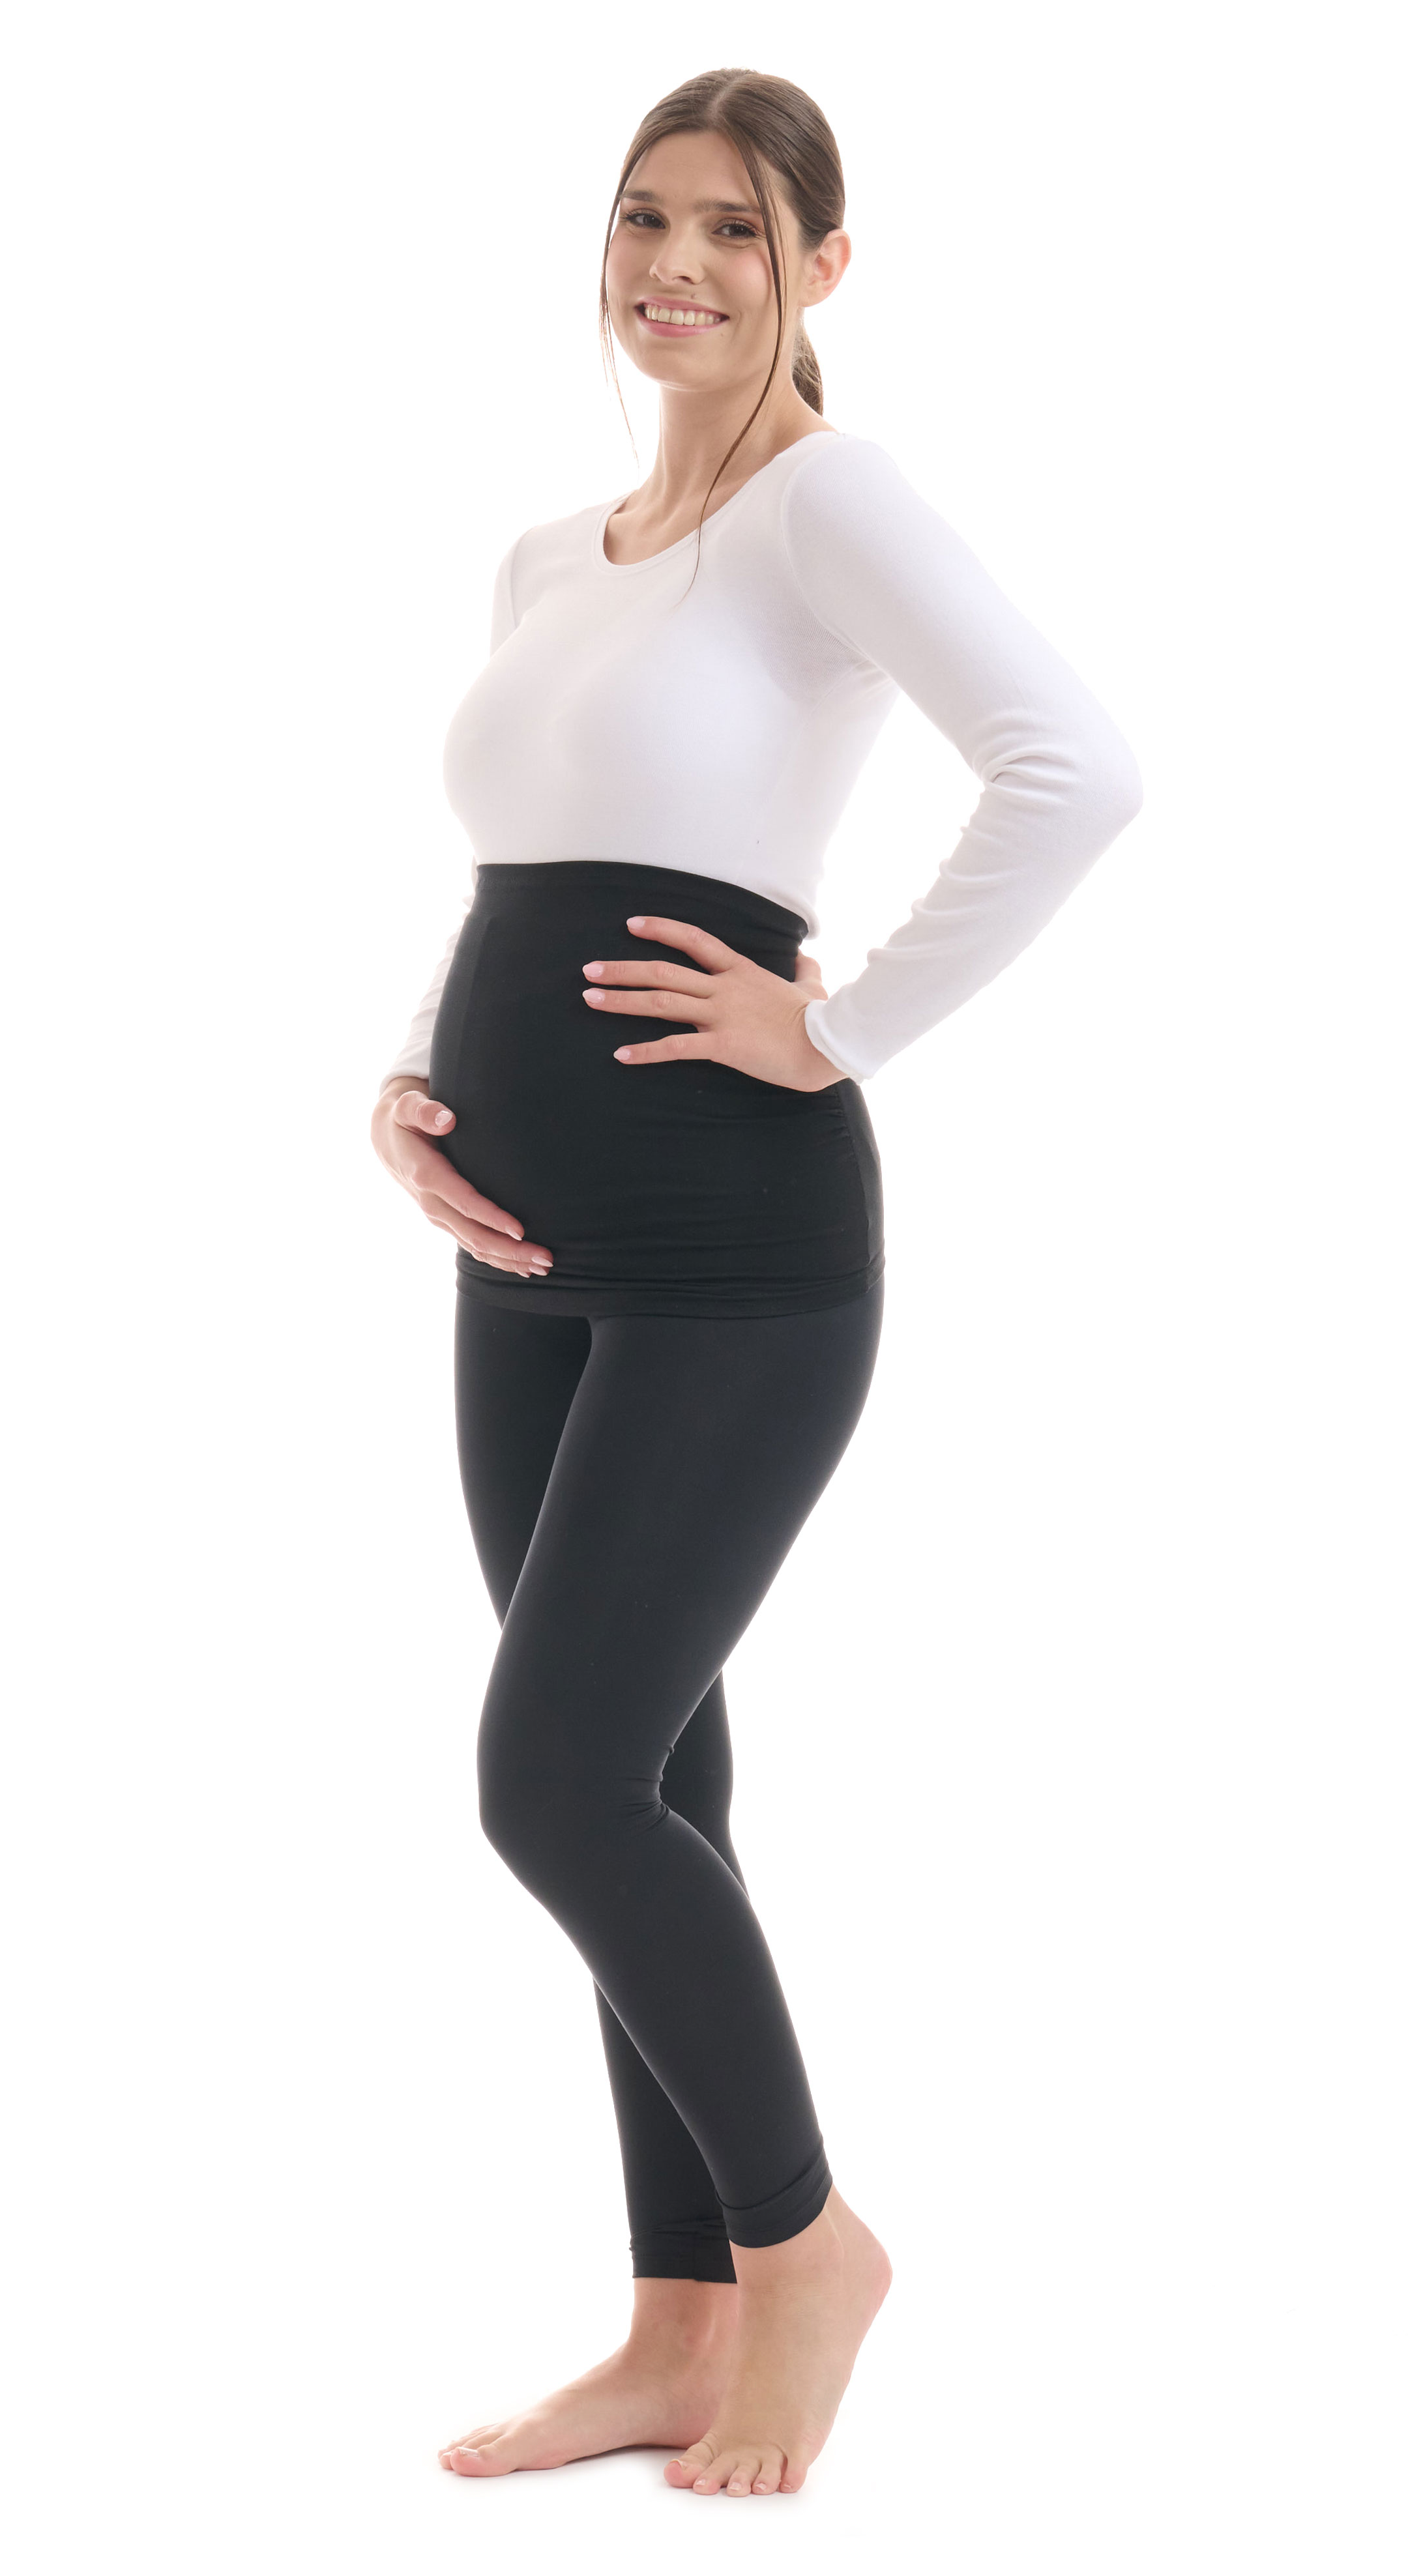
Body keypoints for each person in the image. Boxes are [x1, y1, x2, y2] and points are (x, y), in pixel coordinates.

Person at [371, 66, 1143, 2500]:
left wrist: (845, 1023)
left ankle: (810, 2247)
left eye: (731, 226)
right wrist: (411, 1076)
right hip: (524, 1251)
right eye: (642, 219)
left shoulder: (828, 500)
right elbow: (524, 862)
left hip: (737, 1251)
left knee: (554, 1776)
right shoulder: (555, 554)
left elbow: (1076, 764)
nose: (674, 265)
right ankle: (679, 2315)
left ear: (821, 264)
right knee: (657, 1774)